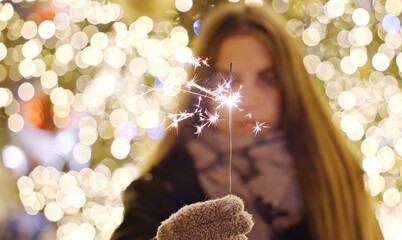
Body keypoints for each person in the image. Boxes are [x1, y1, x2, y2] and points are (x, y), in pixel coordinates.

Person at [112, 3, 383, 240]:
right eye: (228, 80)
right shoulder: (160, 190)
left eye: (268, 78)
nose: (248, 98)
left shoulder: (337, 181)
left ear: (291, 85)